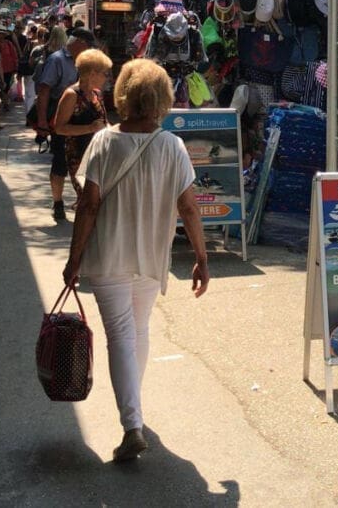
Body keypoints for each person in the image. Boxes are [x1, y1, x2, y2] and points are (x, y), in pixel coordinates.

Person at [62, 58, 209, 462]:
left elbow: (88, 206)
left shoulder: (104, 142)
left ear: (124, 94)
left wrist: (74, 260)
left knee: (123, 335)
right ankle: (135, 411)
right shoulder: (172, 146)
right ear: (162, 99)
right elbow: (190, 208)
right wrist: (201, 258)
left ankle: (132, 424)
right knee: (137, 330)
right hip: (150, 255)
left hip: (108, 254)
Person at [37, 28, 95, 221]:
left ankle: (82, 200)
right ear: (78, 42)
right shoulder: (57, 60)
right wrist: (43, 121)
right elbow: (44, 91)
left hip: (83, 119)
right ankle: (58, 202)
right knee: (60, 162)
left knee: (85, 162)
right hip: (62, 118)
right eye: (87, 45)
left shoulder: (85, 61)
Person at [53, 48, 110, 204]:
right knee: (87, 198)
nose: (106, 78)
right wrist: (89, 128)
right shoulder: (71, 95)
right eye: (105, 74)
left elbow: (103, 121)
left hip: (98, 154)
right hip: (78, 154)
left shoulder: (97, 94)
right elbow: (59, 128)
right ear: (92, 74)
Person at [0, 25, 20, 113]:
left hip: (8, 69)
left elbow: (14, 55)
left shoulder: (9, 44)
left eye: (2, 34)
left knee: (6, 86)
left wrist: (16, 66)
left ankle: (5, 102)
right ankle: (3, 102)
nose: (0, 35)